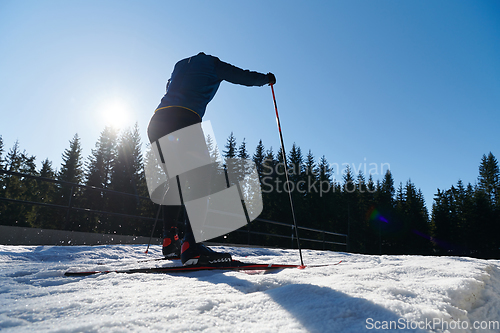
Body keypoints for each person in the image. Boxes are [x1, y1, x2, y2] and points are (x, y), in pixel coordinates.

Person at [147, 52, 276, 265]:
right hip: (184, 119)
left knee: (176, 181)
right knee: (201, 179)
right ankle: (192, 246)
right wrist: (266, 79)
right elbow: (242, 76)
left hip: (157, 122)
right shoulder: (211, 63)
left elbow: (169, 86)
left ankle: (170, 241)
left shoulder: (179, 65)